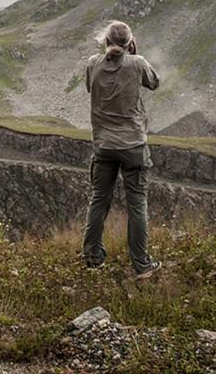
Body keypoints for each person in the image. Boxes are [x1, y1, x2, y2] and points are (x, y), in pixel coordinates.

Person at [82, 20, 161, 278]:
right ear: (129, 43)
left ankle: (93, 257)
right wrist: (134, 56)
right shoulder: (137, 64)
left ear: (106, 41)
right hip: (133, 145)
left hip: (103, 144)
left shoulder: (93, 63)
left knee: (99, 200)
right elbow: (154, 82)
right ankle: (141, 265)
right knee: (137, 204)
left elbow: (89, 87)